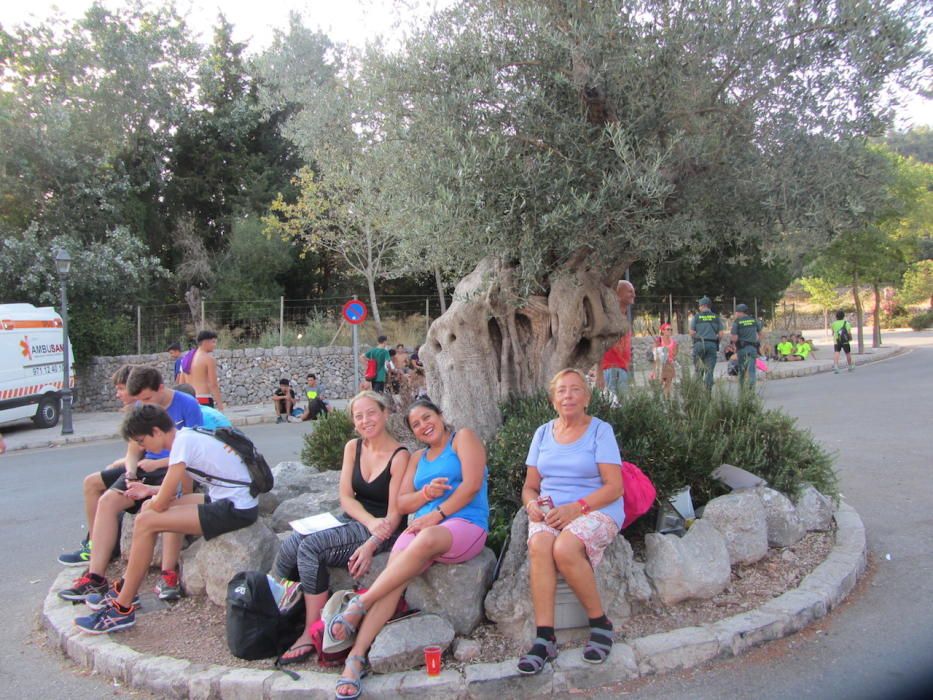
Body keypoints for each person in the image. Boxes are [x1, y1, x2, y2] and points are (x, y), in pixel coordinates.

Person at [328, 398, 489, 699]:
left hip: (466, 523)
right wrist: (426, 493)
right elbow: (401, 503)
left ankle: (359, 604)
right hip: (425, 528)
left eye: (427, 417)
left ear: (441, 416)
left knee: (425, 540)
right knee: (395, 579)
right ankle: (355, 659)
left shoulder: (462, 439)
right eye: (416, 425)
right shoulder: (417, 458)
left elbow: (471, 486)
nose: (423, 426)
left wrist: (437, 514)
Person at [74, 404, 259, 634]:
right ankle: (127, 585)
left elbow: (165, 501)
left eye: (142, 441)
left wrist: (153, 495)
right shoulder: (188, 436)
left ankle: (122, 608)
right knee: (149, 508)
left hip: (235, 508)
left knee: (146, 521)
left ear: (157, 431)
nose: (142, 447)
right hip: (228, 499)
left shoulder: (182, 445)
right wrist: (149, 491)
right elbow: (172, 494)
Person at [272, 391, 409, 665]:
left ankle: (311, 632)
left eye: (371, 413)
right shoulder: (353, 447)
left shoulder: (400, 455)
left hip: (384, 528)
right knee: (293, 541)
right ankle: (274, 606)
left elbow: (395, 514)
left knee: (311, 548)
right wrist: (366, 520)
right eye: (359, 416)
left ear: (385, 413)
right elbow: (346, 498)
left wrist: (371, 538)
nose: (365, 420)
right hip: (360, 518)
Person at [58, 366, 203, 602]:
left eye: (147, 398)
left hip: (175, 468)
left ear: (161, 388)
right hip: (146, 468)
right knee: (107, 501)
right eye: (139, 399)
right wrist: (131, 474)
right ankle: (95, 576)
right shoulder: (140, 409)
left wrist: (159, 465)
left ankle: (168, 574)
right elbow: (134, 450)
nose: (143, 403)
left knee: (166, 504)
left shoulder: (187, 405)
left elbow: (196, 451)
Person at [518, 368, 624, 675]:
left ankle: (600, 624)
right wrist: (531, 505)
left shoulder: (600, 431)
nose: (568, 396)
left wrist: (576, 509)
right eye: (562, 391)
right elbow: (530, 486)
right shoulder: (542, 433)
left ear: (587, 397)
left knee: (565, 548)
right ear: (553, 400)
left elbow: (614, 487)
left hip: (595, 507)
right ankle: (544, 637)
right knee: (540, 544)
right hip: (551, 509)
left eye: (576, 389)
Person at [58, 364, 138, 566]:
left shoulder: (140, 412)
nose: (117, 393)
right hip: (138, 464)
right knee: (106, 473)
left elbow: (139, 452)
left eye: (121, 388)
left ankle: (94, 546)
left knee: (91, 483)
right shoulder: (136, 410)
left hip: (143, 469)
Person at [597, 280, 636, 399]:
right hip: (610, 370)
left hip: (622, 370)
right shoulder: (609, 318)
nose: (634, 295)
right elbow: (599, 345)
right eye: (630, 291)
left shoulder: (623, 319)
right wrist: (599, 374)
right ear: (618, 294)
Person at [690, 296, 723, 390]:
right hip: (712, 345)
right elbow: (721, 334)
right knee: (709, 370)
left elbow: (692, 332)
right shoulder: (716, 317)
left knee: (698, 370)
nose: (699, 307)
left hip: (699, 344)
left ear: (702, 306)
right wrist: (716, 341)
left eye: (699, 305)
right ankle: (707, 393)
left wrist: (697, 338)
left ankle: (697, 392)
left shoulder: (697, 317)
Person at [189, 330, 224, 409]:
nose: (215, 345)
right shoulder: (208, 359)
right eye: (213, 342)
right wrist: (220, 405)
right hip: (204, 398)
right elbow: (213, 384)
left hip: (191, 398)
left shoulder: (188, 358)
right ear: (205, 342)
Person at [730, 304, 762, 388]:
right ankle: (751, 390)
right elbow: (760, 334)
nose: (736, 314)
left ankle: (742, 390)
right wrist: (757, 342)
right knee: (752, 370)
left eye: (736, 312)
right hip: (752, 348)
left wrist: (734, 343)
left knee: (742, 371)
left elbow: (735, 338)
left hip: (742, 349)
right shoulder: (754, 321)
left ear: (741, 312)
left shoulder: (737, 322)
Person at [655, 322, 678, 396]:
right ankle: (660, 400)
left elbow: (674, 354)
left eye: (671, 329)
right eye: (668, 329)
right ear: (663, 331)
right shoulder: (659, 340)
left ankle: (666, 402)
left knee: (668, 385)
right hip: (660, 365)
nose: (670, 331)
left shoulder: (674, 343)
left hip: (669, 365)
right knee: (659, 385)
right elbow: (655, 353)